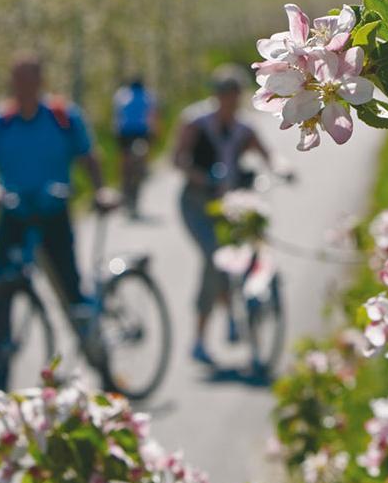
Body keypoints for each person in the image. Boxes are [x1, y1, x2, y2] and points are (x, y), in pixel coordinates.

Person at [0, 54, 118, 391]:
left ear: (40, 81)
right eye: (19, 79)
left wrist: (100, 190)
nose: (25, 86)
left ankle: (101, 364)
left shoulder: (63, 117)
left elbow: (88, 156)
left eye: (31, 78)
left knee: (71, 291)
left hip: (53, 213)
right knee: (2, 291)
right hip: (14, 214)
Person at [173, 64, 273, 366]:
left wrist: (281, 170)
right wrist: (199, 176)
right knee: (215, 258)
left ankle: (234, 318)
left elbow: (267, 155)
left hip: (230, 205)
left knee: (239, 257)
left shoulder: (244, 129)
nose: (229, 100)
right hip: (197, 204)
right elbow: (177, 159)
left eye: (234, 94)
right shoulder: (195, 122)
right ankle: (204, 335)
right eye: (224, 93)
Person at [112, 76, 158, 217]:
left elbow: (117, 115)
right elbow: (153, 116)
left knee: (125, 164)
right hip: (141, 133)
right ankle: (140, 175)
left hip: (124, 133)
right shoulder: (149, 94)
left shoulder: (121, 94)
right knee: (140, 163)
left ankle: (125, 189)